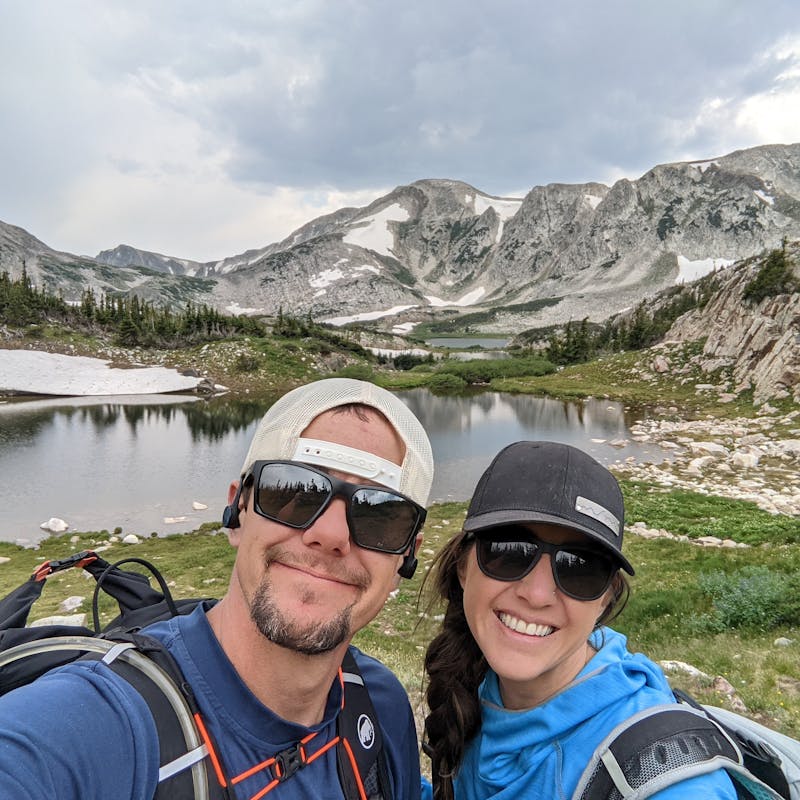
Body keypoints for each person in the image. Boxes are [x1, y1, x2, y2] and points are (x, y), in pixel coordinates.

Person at [0, 377, 434, 800]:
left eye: (381, 515)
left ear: (405, 559)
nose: (331, 534)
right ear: (237, 509)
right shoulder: (97, 723)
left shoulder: (379, 702)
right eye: (295, 491)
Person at [421, 440, 737, 800]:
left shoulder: (671, 784)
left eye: (579, 568)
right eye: (509, 551)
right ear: (463, 567)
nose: (537, 595)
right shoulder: (471, 684)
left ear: (606, 598)